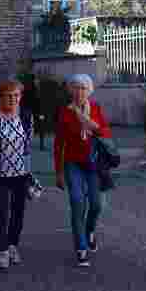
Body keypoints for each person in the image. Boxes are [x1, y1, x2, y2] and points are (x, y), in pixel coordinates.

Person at [54, 73, 112, 268]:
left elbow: (105, 133)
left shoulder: (95, 108)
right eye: (76, 88)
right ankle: (81, 247)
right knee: (77, 201)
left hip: (93, 164)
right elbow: (58, 144)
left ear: (89, 91)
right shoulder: (65, 112)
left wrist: (89, 122)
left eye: (83, 88)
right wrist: (59, 172)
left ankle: (90, 231)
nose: (79, 92)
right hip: (73, 164)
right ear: (71, 90)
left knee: (96, 205)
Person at [0, 79, 33, 272]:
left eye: (16, 95)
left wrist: (28, 172)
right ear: (1, 98)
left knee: (18, 211)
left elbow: (28, 144)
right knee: (1, 211)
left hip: (21, 172)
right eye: (8, 96)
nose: (13, 99)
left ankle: (13, 245)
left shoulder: (26, 115)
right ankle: (1, 251)